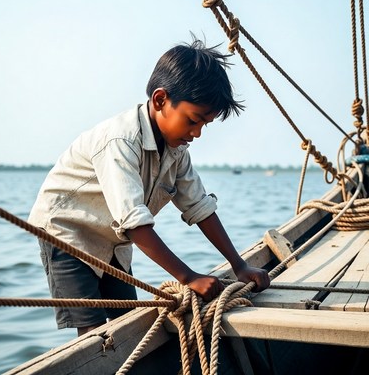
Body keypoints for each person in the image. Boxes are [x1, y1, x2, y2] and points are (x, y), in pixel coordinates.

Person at [28, 36, 270, 337]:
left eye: (204, 125)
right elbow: (134, 222)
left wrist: (239, 265)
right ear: (160, 100)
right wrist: (189, 277)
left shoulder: (177, 151)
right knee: (94, 333)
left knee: (128, 322)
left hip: (112, 241)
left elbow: (199, 207)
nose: (197, 133)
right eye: (193, 120)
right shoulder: (120, 140)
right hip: (67, 233)